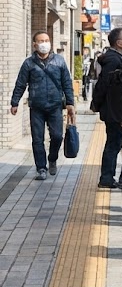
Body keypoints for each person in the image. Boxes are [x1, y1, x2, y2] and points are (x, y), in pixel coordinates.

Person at [10, 31, 76, 181]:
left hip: (55, 106)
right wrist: (15, 102)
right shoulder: (28, 63)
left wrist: (70, 103)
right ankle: (41, 168)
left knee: (57, 136)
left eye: (46, 40)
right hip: (37, 106)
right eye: (41, 41)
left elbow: (67, 83)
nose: (44, 44)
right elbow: (20, 84)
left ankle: (52, 158)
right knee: (37, 139)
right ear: (35, 44)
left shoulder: (59, 61)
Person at [95, 28, 122, 189]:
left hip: (111, 110)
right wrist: (121, 115)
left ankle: (106, 178)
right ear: (119, 43)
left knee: (113, 143)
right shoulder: (114, 60)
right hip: (115, 111)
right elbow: (112, 89)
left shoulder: (115, 58)